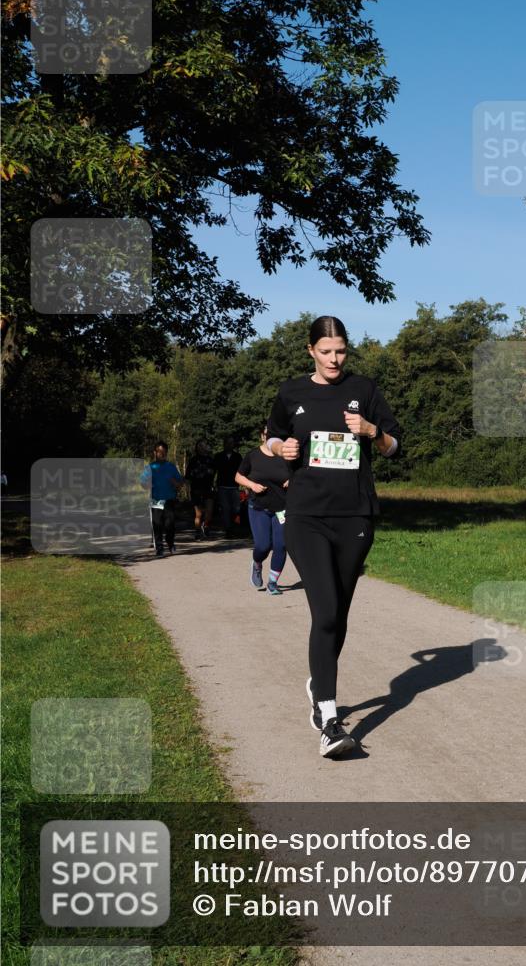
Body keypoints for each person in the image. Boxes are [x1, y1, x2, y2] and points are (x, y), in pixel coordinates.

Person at [266, 315, 401, 758]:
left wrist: (373, 432)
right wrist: (279, 449)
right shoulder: (292, 391)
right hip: (306, 514)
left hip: (355, 514)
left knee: (338, 614)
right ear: (310, 351)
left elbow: (395, 445)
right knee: (324, 610)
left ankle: (317, 680)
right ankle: (328, 718)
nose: (334, 359)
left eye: (340, 351)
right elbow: (272, 438)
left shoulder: (364, 389)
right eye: (325, 351)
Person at [236, 425, 291, 595]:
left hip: (282, 509)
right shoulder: (253, 456)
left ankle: (273, 583)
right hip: (258, 507)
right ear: (262, 436)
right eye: (268, 434)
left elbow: (301, 474)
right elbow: (238, 476)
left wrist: (292, 480)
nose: (272, 437)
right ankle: (257, 563)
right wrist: (252, 485)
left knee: (281, 545)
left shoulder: (287, 457)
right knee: (263, 545)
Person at [139, 441, 183, 557]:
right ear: (155, 452)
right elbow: (143, 483)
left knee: (170, 524)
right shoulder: (150, 467)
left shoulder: (171, 467)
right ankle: (159, 548)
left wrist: (176, 483)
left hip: (169, 500)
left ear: (166, 453)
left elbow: (180, 484)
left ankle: (170, 543)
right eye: (159, 452)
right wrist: (147, 484)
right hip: (156, 500)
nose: (161, 454)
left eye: (164, 452)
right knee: (157, 524)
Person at [184, 438, 215, 540]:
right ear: (197, 448)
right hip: (196, 489)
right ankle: (197, 531)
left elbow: (215, 473)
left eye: (203, 446)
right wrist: (187, 491)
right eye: (199, 446)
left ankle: (205, 526)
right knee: (199, 513)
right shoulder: (193, 460)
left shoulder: (211, 460)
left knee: (209, 512)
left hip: (208, 488)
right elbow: (187, 477)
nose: (201, 448)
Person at [214, 435, 242, 537]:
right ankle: (228, 530)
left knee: (236, 509)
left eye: (231, 443)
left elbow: (242, 471)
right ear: (224, 444)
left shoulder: (238, 457)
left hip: (234, 487)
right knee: (225, 509)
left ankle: (236, 528)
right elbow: (214, 471)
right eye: (228, 443)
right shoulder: (218, 456)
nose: (230, 445)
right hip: (222, 486)